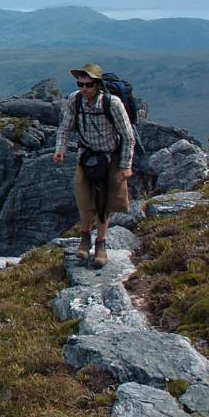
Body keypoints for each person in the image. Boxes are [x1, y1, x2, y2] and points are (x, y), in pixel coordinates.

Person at [52, 63, 136, 267]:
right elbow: (65, 127)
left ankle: (100, 244)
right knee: (84, 199)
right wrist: (60, 149)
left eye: (88, 85)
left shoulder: (112, 103)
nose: (83, 88)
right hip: (86, 156)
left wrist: (125, 165)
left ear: (98, 85)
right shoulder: (76, 100)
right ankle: (84, 239)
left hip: (110, 157)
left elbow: (127, 136)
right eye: (80, 84)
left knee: (105, 203)